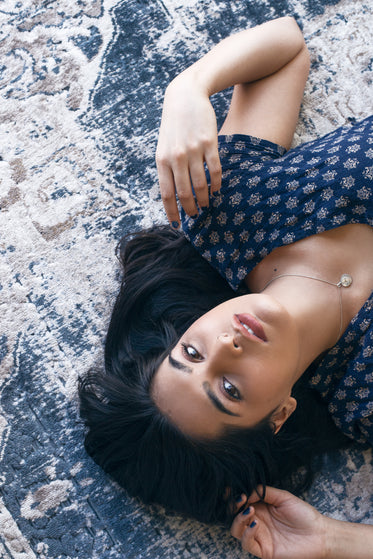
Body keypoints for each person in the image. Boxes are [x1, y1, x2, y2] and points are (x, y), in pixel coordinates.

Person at [79, 16, 373, 558]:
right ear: (279, 415)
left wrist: (188, 87)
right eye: (230, 390)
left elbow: (287, 49)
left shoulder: (230, 215)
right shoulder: (363, 396)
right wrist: (337, 540)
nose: (226, 346)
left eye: (190, 352)